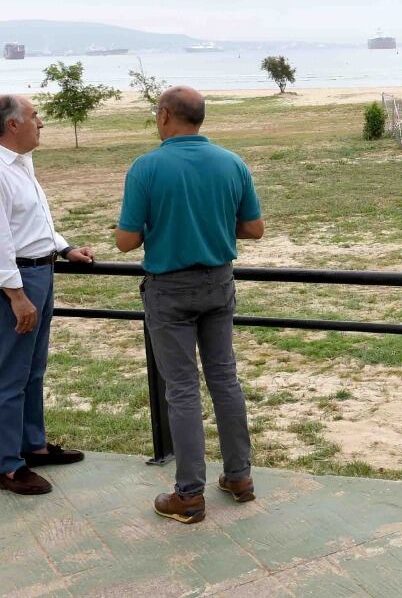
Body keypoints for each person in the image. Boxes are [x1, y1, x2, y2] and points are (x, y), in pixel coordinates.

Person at [115, 85, 264, 524]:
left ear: (164, 116)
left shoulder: (146, 167)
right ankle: (239, 477)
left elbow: (125, 241)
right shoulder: (232, 163)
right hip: (219, 283)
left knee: (181, 389)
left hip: (170, 290)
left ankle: (189, 494)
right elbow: (254, 229)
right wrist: (212, 225)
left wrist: (160, 228)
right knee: (225, 380)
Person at [0, 95, 94, 496]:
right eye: (35, 116)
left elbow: (32, 221)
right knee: (8, 377)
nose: (41, 123)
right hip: (12, 282)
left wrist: (64, 248)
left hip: (38, 273)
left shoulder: (17, 163)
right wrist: (16, 296)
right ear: (12, 125)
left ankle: (32, 445)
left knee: (32, 370)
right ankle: (8, 467)